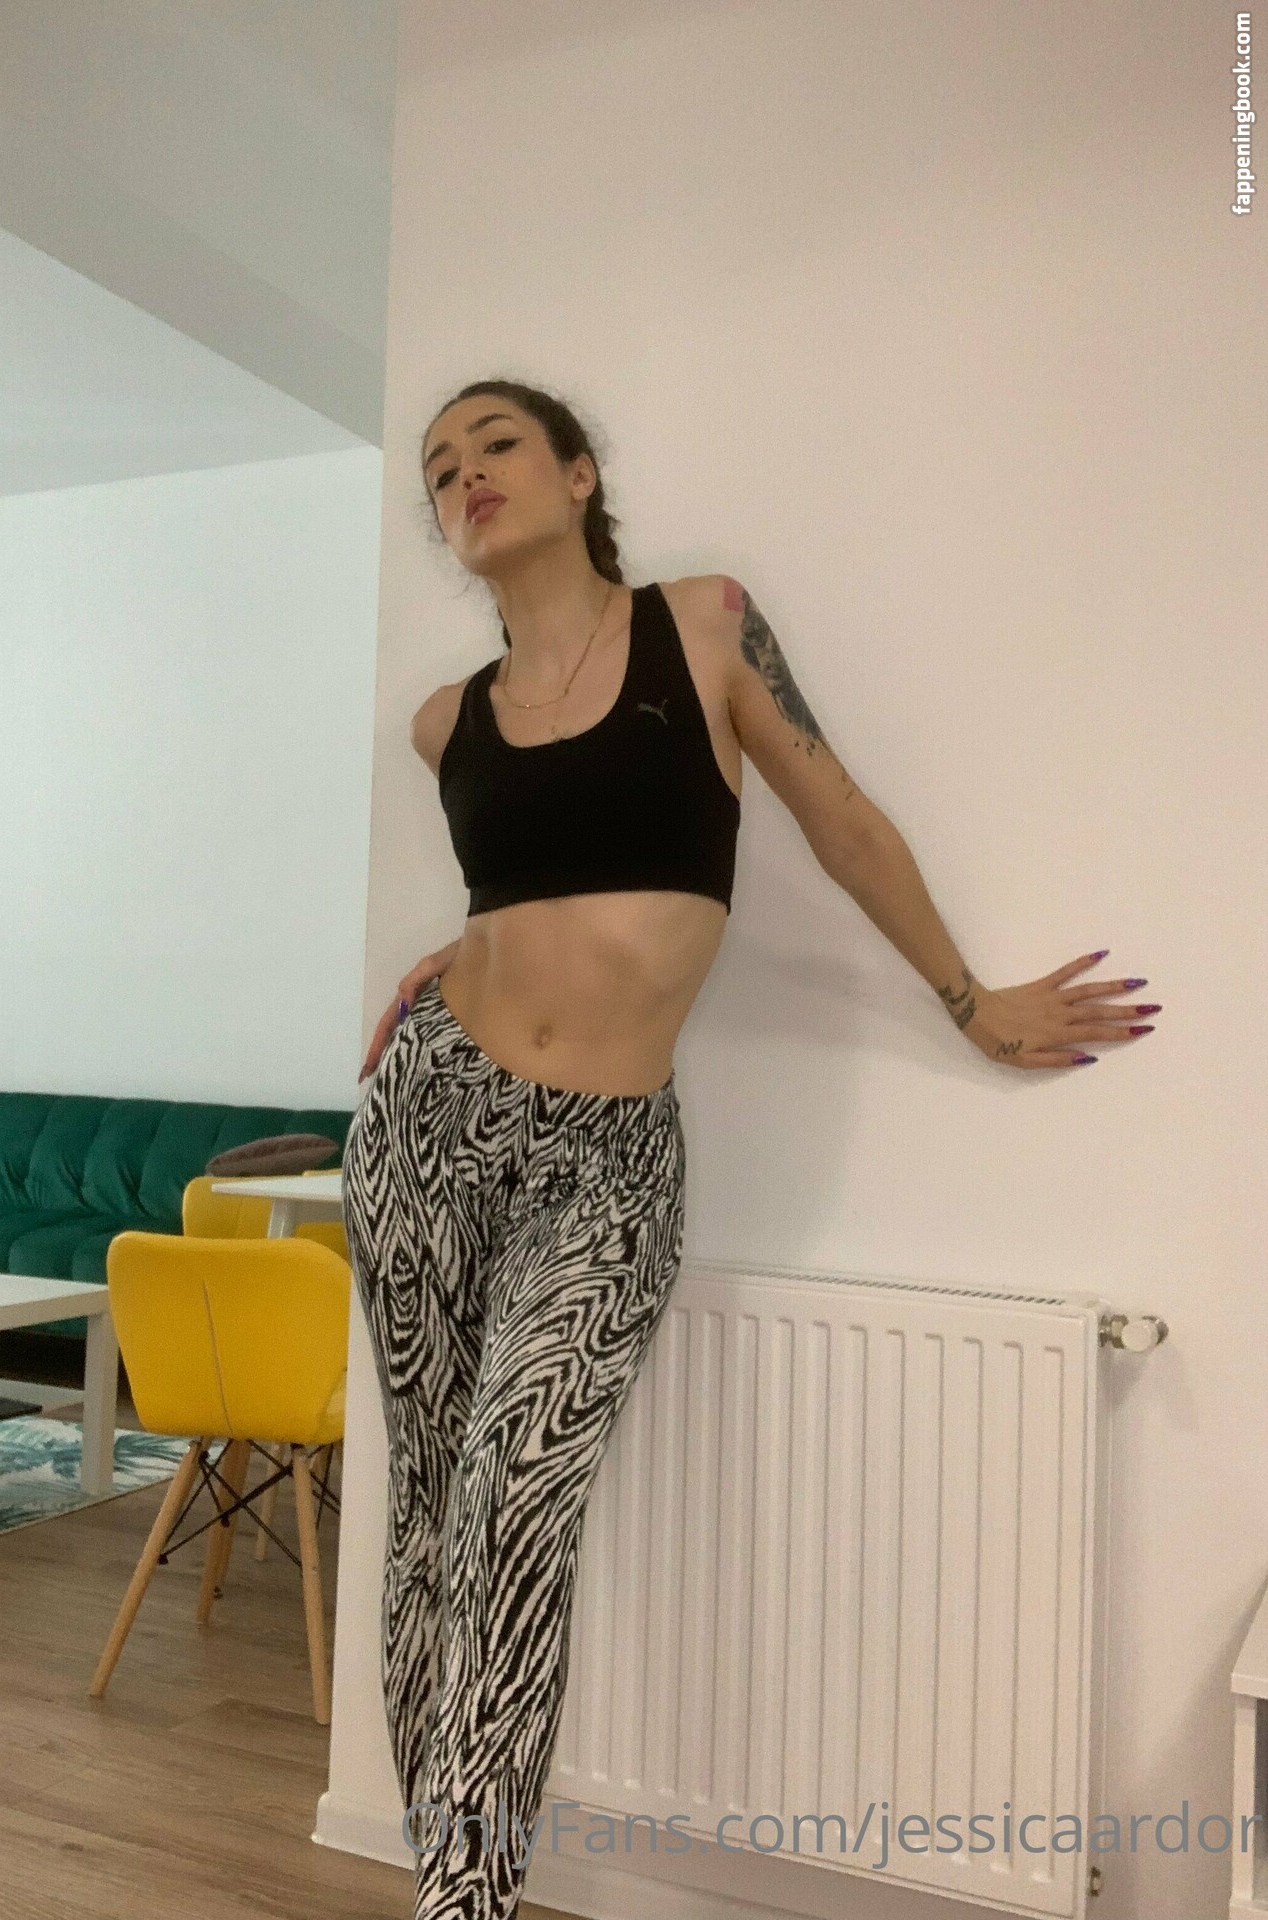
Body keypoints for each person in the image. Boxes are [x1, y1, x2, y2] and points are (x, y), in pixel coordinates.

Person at [339, 378, 1159, 1920]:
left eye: (498, 445)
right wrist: (454, 958)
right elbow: (526, 894)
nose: (466, 476)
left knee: (512, 1512)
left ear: (578, 475)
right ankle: (453, 1891)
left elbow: (841, 821)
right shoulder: (445, 721)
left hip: (610, 1163)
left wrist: (971, 1001)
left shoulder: (704, 626)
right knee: (430, 1518)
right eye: (441, 470)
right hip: (429, 1125)